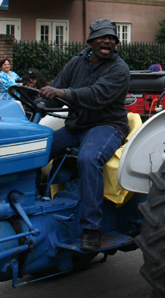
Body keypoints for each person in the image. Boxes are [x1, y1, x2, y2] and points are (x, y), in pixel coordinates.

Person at [39, 18, 130, 252]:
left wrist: (63, 92)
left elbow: (95, 95)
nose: (107, 41)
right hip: (77, 126)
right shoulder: (76, 63)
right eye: (102, 36)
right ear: (91, 41)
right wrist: (40, 99)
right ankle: (34, 203)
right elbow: (57, 88)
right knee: (36, 150)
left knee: (89, 159)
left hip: (107, 125)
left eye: (111, 38)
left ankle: (92, 229)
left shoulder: (119, 68)